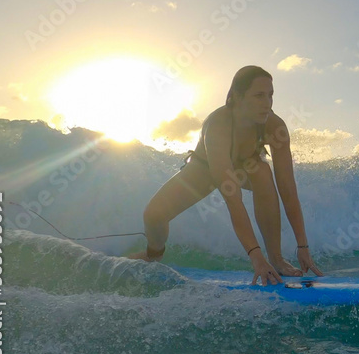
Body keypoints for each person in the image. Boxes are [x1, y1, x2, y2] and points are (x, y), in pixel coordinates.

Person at [128, 65, 323, 285]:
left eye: (270, 95)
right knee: (152, 215)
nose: (267, 103)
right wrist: (256, 258)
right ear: (237, 97)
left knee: (262, 171)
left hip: (244, 167)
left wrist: (303, 246)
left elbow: (288, 190)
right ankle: (153, 256)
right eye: (259, 96)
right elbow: (233, 199)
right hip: (204, 169)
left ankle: (276, 258)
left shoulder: (274, 126)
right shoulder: (218, 125)